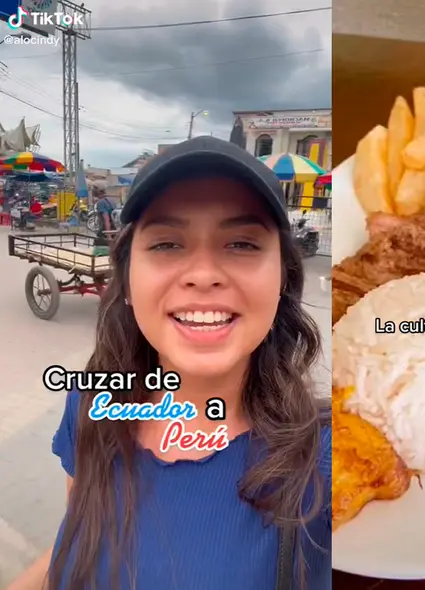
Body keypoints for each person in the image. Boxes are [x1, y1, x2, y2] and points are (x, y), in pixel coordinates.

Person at [8, 136, 332, 590]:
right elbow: (73, 541)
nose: (203, 274)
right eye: (166, 245)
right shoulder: (90, 405)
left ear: (283, 277)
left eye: (241, 243)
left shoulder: (329, 459)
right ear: (126, 279)